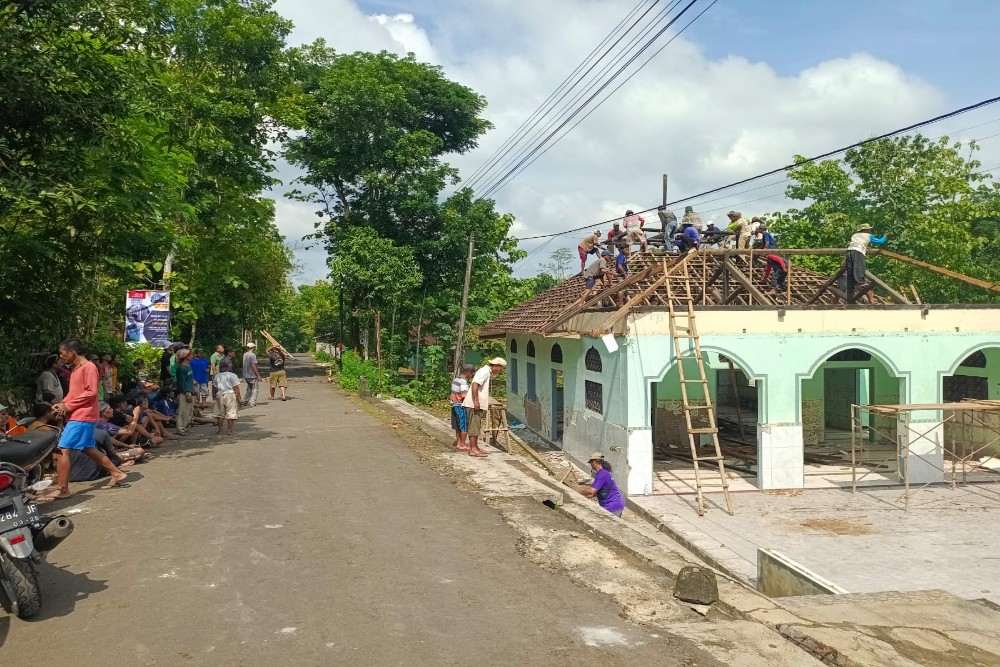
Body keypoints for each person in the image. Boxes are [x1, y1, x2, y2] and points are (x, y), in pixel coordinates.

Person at [48, 339, 128, 499]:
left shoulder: (89, 367)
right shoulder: (76, 369)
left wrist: (67, 406)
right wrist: (62, 404)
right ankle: (116, 473)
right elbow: (74, 393)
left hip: (83, 415)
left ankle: (63, 489)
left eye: (62, 354)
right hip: (79, 415)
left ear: (72, 352)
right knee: (88, 448)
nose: (61, 357)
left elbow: (91, 392)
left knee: (62, 450)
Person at [461, 357, 507, 458]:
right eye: (501, 368)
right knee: (473, 427)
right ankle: (473, 450)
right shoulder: (484, 372)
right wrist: (476, 401)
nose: (500, 371)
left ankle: (476, 447)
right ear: (496, 366)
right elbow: (475, 384)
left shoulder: (486, 372)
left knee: (476, 426)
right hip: (473, 405)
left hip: (476, 404)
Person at [845, 223, 888, 303]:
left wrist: (865, 245)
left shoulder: (854, 235)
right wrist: (885, 236)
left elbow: (858, 243)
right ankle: (871, 300)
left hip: (849, 252)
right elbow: (879, 241)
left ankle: (850, 300)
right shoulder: (868, 236)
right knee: (860, 276)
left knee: (851, 277)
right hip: (858, 253)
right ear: (866, 230)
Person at [578, 452, 626, 517]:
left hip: (612, 506)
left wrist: (578, 492)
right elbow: (594, 494)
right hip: (615, 504)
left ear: (594, 462)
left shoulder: (601, 474)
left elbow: (592, 491)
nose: (590, 465)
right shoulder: (604, 473)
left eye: (590, 463)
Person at [213, 359, 242, 436]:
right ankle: (229, 430)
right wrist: (239, 399)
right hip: (230, 395)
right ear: (228, 365)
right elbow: (236, 388)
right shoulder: (232, 375)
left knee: (220, 414)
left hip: (219, 395)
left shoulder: (217, 376)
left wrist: (215, 396)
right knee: (231, 413)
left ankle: (220, 430)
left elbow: (215, 387)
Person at [450, 364, 475, 451]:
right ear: (468, 372)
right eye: (472, 374)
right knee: (464, 426)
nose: (472, 375)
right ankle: (463, 444)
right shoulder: (463, 382)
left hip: (454, 405)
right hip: (461, 406)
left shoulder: (456, 380)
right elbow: (464, 396)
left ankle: (458, 443)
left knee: (458, 426)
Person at [174, 348, 195, 435]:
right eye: (189, 355)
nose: (191, 355)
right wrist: (186, 392)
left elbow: (189, 379)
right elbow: (182, 382)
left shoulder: (188, 366)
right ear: (185, 357)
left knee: (189, 411)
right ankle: (180, 428)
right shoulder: (181, 368)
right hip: (184, 392)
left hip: (190, 390)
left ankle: (184, 426)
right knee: (183, 411)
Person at [241, 342, 261, 407]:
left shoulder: (245, 354)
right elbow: (253, 365)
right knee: (255, 389)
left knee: (249, 388)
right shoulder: (253, 355)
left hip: (246, 374)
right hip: (252, 375)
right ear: (253, 347)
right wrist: (258, 375)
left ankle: (245, 400)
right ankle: (252, 402)